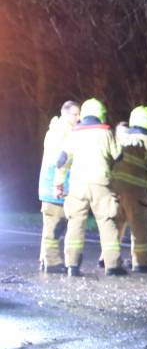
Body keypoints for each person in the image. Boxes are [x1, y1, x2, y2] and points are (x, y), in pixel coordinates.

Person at [55, 98, 125, 277]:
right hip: (101, 183)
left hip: (77, 185)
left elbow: (62, 160)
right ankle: (112, 265)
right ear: (101, 113)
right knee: (107, 222)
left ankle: (72, 265)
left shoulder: (74, 133)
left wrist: (59, 183)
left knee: (75, 224)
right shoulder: (106, 131)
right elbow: (118, 155)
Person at [112, 106, 147, 272]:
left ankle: (108, 259)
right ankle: (142, 262)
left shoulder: (122, 138)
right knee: (139, 227)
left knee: (115, 224)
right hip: (136, 190)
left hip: (116, 188)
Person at [37, 100, 80, 273]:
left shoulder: (56, 130)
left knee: (51, 224)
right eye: (75, 114)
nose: (78, 117)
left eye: (79, 114)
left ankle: (44, 259)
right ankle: (52, 262)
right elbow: (61, 161)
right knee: (55, 225)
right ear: (65, 113)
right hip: (54, 185)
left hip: (52, 184)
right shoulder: (63, 132)